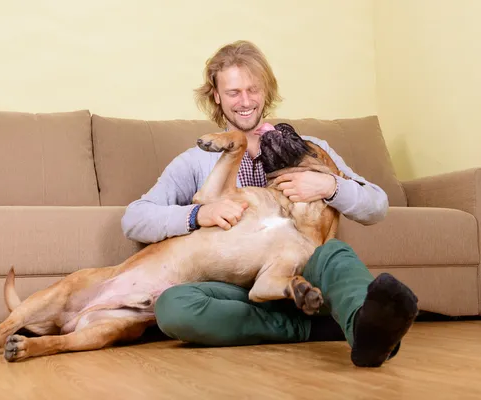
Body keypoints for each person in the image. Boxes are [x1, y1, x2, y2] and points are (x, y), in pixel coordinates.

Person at [120, 40, 418, 368]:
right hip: (239, 291)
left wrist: (330, 185)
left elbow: (377, 205)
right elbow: (136, 218)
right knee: (173, 306)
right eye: (233, 92)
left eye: (254, 90)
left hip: (306, 275)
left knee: (334, 254)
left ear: (266, 91)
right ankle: (322, 326)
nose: (245, 102)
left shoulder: (308, 149)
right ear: (216, 95)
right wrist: (198, 213)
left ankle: (369, 334)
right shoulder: (196, 160)